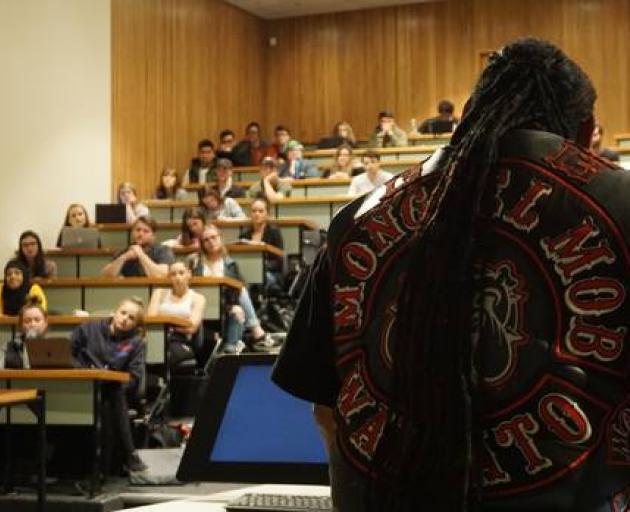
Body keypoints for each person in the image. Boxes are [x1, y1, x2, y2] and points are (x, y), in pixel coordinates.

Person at [272, 38, 626, 511]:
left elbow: (329, 411)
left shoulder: (359, 217)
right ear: (585, 131)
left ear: (470, 117)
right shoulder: (621, 202)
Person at [71, 297, 148, 473]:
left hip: (113, 389)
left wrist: (111, 379)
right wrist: (82, 371)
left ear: (136, 324)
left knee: (114, 392)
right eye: (123, 313)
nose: (125, 319)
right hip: (82, 384)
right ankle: (129, 455)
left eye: (131, 318)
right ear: (114, 312)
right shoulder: (88, 328)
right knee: (112, 395)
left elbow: (135, 378)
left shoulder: (136, 343)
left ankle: (103, 467)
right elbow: (68, 353)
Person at [188, 225, 273, 353]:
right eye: (206, 240)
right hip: (201, 308)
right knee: (240, 296)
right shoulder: (195, 263)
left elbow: (235, 291)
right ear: (202, 244)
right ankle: (256, 330)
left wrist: (232, 306)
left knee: (238, 309)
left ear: (220, 239)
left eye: (213, 238)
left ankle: (230, 350)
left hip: (224, 307)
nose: (211, 242)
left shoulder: (230, 264)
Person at [148, 261, 206, 367]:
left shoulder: (198, 298)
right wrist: (177, 322)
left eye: (181, 273)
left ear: (189, 274)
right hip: (157, 337)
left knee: (164, 356)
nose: (177, 277)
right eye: (173, 274)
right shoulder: (159, 293)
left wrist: (168, 325)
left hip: (180, 340)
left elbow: (192, 326)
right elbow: (151, 318)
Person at [102, 216, 174, 277]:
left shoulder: (163, 250)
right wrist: (124, 257)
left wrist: (140, 254)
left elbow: (161, 274)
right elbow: (105, 275)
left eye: (145, 231)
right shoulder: (126, 251)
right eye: (138, 230)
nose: (140, 234)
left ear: (153, 236)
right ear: (132, 232)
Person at [239, 197, 284, 292]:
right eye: (254, 211)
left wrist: (261, 266)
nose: (257, 214)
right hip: (248, 272)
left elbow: (279, 260)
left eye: (261, 211)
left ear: (267, 213)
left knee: (260, 278)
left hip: (270, 272)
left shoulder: (274, 232)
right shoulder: (244, 234)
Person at [0, 302, 48, 368]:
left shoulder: (54, 347)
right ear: (21, 325)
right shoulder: (6, 348)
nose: (32, 324)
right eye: (27, 321)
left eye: (37, 320)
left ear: (45, 323)